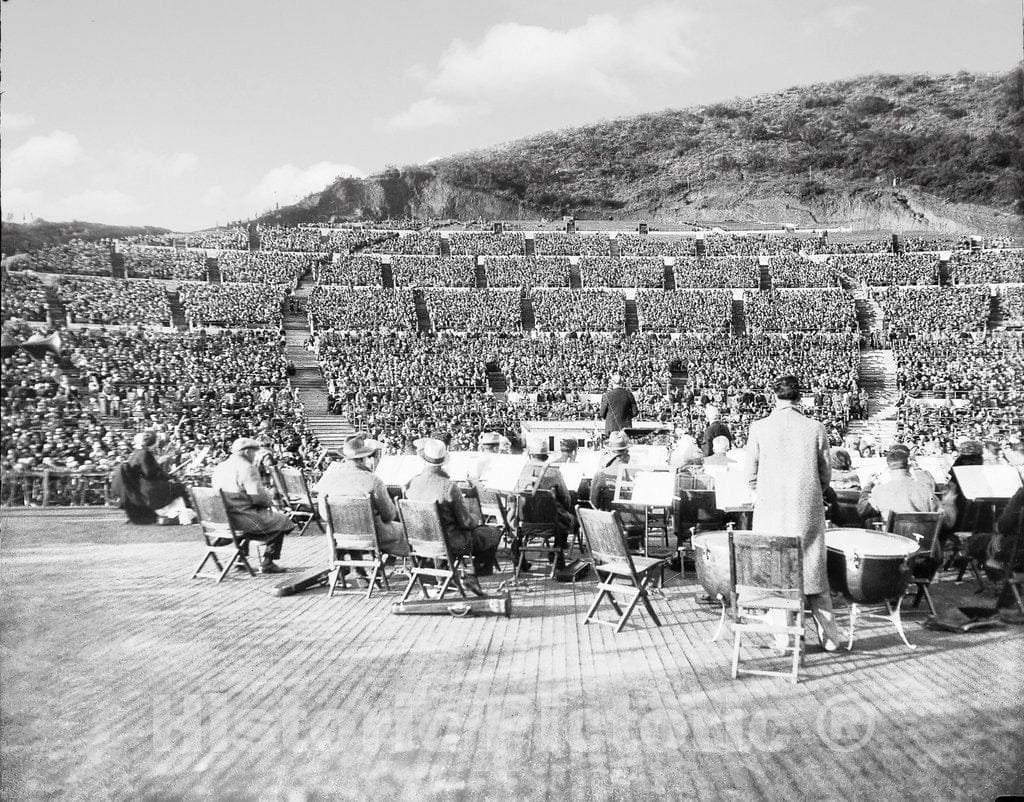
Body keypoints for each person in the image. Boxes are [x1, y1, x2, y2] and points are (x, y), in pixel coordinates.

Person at [745, 375, 842, 652]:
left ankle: (783, 636)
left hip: (771, 511)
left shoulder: (759, 427)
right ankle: (831, 637)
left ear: (774, 397)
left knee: (776, 574)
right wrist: (810, 493)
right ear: (800, 397)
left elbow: (750, 474)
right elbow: (825, 475)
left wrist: (766, 492)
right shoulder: (816, 428)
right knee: (814, 572)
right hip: (807, 509)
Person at [404, 437, 502, 580]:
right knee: (492, 533)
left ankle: (443, 571)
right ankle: (481, 573)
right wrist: (476, 518)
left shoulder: (413, 483)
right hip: (451, 544)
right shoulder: (449, 486)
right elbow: (466, 522)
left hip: (419, 542)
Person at [315, 433, 408, 559]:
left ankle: (358, 569)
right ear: (364, 458)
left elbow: (324, 515)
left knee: (353, 525)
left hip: (340, 537)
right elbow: (389, 515)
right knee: (408, 531)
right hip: (372, 537)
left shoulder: (328, 479)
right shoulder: (373, 480)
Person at [211, 436, 294, 574]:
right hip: (242, 519)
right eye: (254, 452)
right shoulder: (247, 467)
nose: (255, 455)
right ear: (247, 451)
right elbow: (258, 498)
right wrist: (269, 497)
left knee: (264, 517)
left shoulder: (221, 466)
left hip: (223, 518)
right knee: (283, 520)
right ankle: (268, 561)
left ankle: (240, 559)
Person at [514, 436, 576, 570]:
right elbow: (566, 499)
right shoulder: (553, 472)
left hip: (523, 521)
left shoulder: (519, 471)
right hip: (551, 524)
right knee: (569, 517)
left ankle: (519, 560)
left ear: (530, 454)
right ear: (546, 455)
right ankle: (556, 555)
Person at [856, 450, 945, 527]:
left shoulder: (880, 491)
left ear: (888, 469)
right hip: (924, 543)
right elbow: (945, 520)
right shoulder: (926, 489)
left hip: (894, 543)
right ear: (909, 467)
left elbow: (862, 510)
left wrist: (868, 485)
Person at [123, 431, 192, 525]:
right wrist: (161, 467)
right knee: (179, 487)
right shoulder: (145, 453)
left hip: (143, 486)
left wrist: (161, 469)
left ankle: (179, 513)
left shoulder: (137, 453)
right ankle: (184, 515)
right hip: (150, 488)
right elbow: (149, 472)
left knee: (174, 486)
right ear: (153, 442)